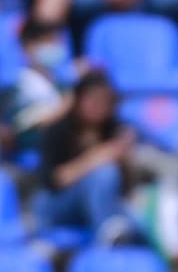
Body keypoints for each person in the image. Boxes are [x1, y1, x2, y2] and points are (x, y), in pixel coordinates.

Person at [36, 70, 137, 245]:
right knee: (103, 173)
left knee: (138, 224)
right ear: (78, 100)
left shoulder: (114, 129)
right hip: (58, 203)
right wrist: (97, 157)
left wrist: (123, 159)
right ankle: (107, 238)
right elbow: (54, 181)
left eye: (104, 100)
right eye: (92, 99)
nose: (98, 106)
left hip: (100, 203)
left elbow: (124, 187)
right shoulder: (59, 129)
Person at [3, 18, 72, 155]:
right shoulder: (17, 83)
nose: (53, 47)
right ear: (27, 47)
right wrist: (66, 106)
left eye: (56, 42)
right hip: (26, 158)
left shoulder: (62, 84)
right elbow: (20, 126)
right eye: (47, 42)